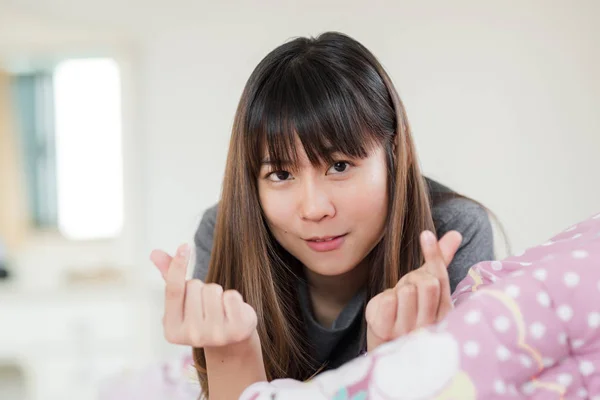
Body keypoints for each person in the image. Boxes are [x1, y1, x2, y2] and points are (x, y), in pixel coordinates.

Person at [150, 31, 495, 399]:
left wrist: (395, 362)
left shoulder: (452, 233)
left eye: (340, 165)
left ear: (393, 151)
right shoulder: (224, 231)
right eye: (281, 175)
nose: (314, 209)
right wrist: (231, 353)